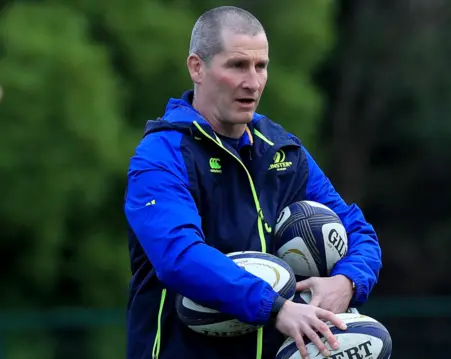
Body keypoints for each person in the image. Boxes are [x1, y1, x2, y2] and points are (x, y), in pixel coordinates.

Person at [123, 6, 382, 359]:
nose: (253, 82)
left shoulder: (283, 151)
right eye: (237, 65)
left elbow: (357, 230)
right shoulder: (161, 155)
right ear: (197, 67)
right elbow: (178, 256)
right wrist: (277, 307)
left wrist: (347, 281)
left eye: (261, 67)